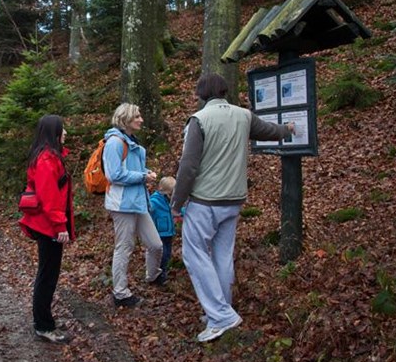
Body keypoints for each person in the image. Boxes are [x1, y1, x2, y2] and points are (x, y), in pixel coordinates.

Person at [171, 73, 295, 342]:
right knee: (222, 256)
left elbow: (189, 166)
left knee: (194, 256)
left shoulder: (199, 120)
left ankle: (221, 316)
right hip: (234, 200)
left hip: (205, 201)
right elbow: (270, 131)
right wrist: (288, 129)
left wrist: (176, 203)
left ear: (201, 94)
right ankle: (220, 309)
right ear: (224, 91)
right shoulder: (244, 115)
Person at [19, 115, 75, 343]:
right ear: (54, 132)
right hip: (48, 227)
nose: (66, 133)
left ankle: (44, 320)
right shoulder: (46, 160)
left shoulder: (50, 157)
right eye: (63, 130)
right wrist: (60, 226)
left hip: (47, 225)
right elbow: (49, 197)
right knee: (47, 275)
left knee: (48, 274)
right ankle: (43, 325)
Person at [103, 103, 164, 308]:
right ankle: (120, 293)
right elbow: (114, 174)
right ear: (126, 119)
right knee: (124, 247)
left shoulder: (130, 141)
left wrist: (146, 173)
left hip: (138, 201)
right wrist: (142, 176)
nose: (141, 119)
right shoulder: (114, 143)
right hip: (122, 204)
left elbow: (133, 168)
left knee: (155, 244)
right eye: (137, 116)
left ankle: (152, 276)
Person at [149, 176, 182, 282]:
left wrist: (186, 212)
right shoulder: (154, 201)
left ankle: (163, 271)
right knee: (162, 254)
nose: (171, 196)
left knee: (167, 254)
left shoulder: (171, 202)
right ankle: (158, 273)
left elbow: (178, 210)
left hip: (169, 233)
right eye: (170, 193)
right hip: (159, 233)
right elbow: (148, 211)